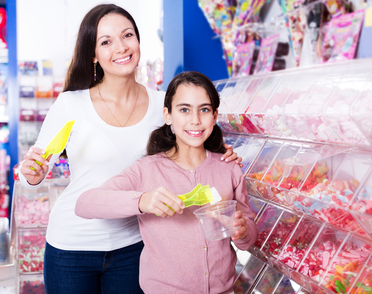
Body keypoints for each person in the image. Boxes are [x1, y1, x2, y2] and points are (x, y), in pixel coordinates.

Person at [18, 4, 241, 294]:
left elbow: (196, 141)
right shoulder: (71, 104)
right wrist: (31, 172)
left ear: (138, 40)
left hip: (134, 247)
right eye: (106, 42)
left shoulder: (165, 105)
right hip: (71, 247)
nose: (121, 47)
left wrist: (224, 151)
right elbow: (34, 169)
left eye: (127, 35)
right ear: (93, 54)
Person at [75, 71, 258, 294]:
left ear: (215, 116)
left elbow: (247, 239)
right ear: (168, 115)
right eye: (184, 109)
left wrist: (241, 231)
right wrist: (143, 201)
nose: (195, 120)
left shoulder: (228, 168)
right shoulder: (147, 170)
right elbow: (85, 204)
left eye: (204, 109)